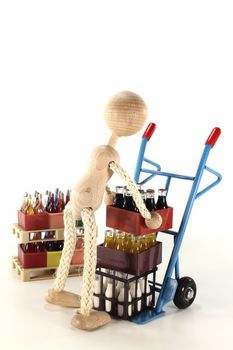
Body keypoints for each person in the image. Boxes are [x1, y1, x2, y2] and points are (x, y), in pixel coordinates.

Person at [46, 91, 162, 330]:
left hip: (75, 198)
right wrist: (147, 215)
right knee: (90, 257)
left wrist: (107, 194)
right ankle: (86, 314)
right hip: (87, 205)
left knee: (70, 245)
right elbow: (128, 181)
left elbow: (101, 180)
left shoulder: (97, 152)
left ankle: (57, 290)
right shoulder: (109, 156)